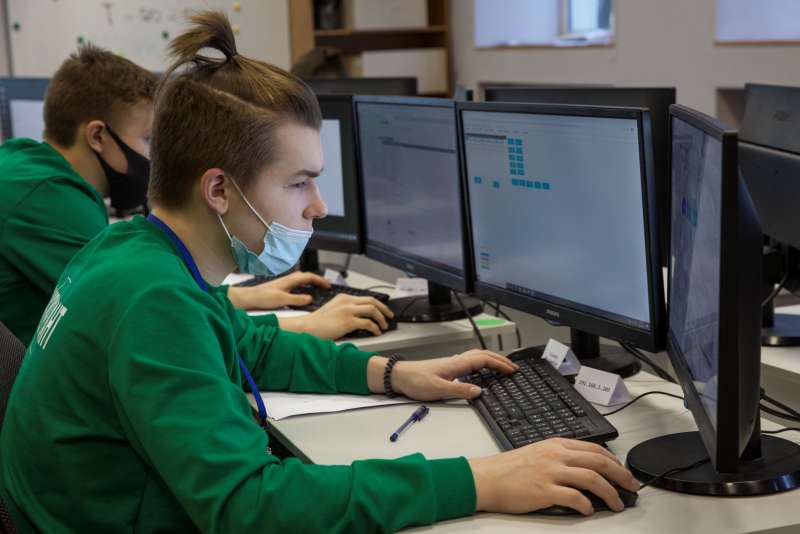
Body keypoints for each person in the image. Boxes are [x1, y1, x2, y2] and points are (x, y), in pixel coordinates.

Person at [0, 12, 638, 532]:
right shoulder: (152, 300)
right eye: (298, 182)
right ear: (218, 189)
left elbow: (247, 344)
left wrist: (391, 373)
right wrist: (480, 480)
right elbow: (248, 507)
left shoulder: (134, 250)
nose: (319, 206)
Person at [0, 45, 390, 346]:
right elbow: (166, 313)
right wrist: (303, 325)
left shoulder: (24, 167)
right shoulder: (51, 199)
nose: (155, 156)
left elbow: (177, 303)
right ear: (98, 136)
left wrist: (243, 297)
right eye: (148, 138)